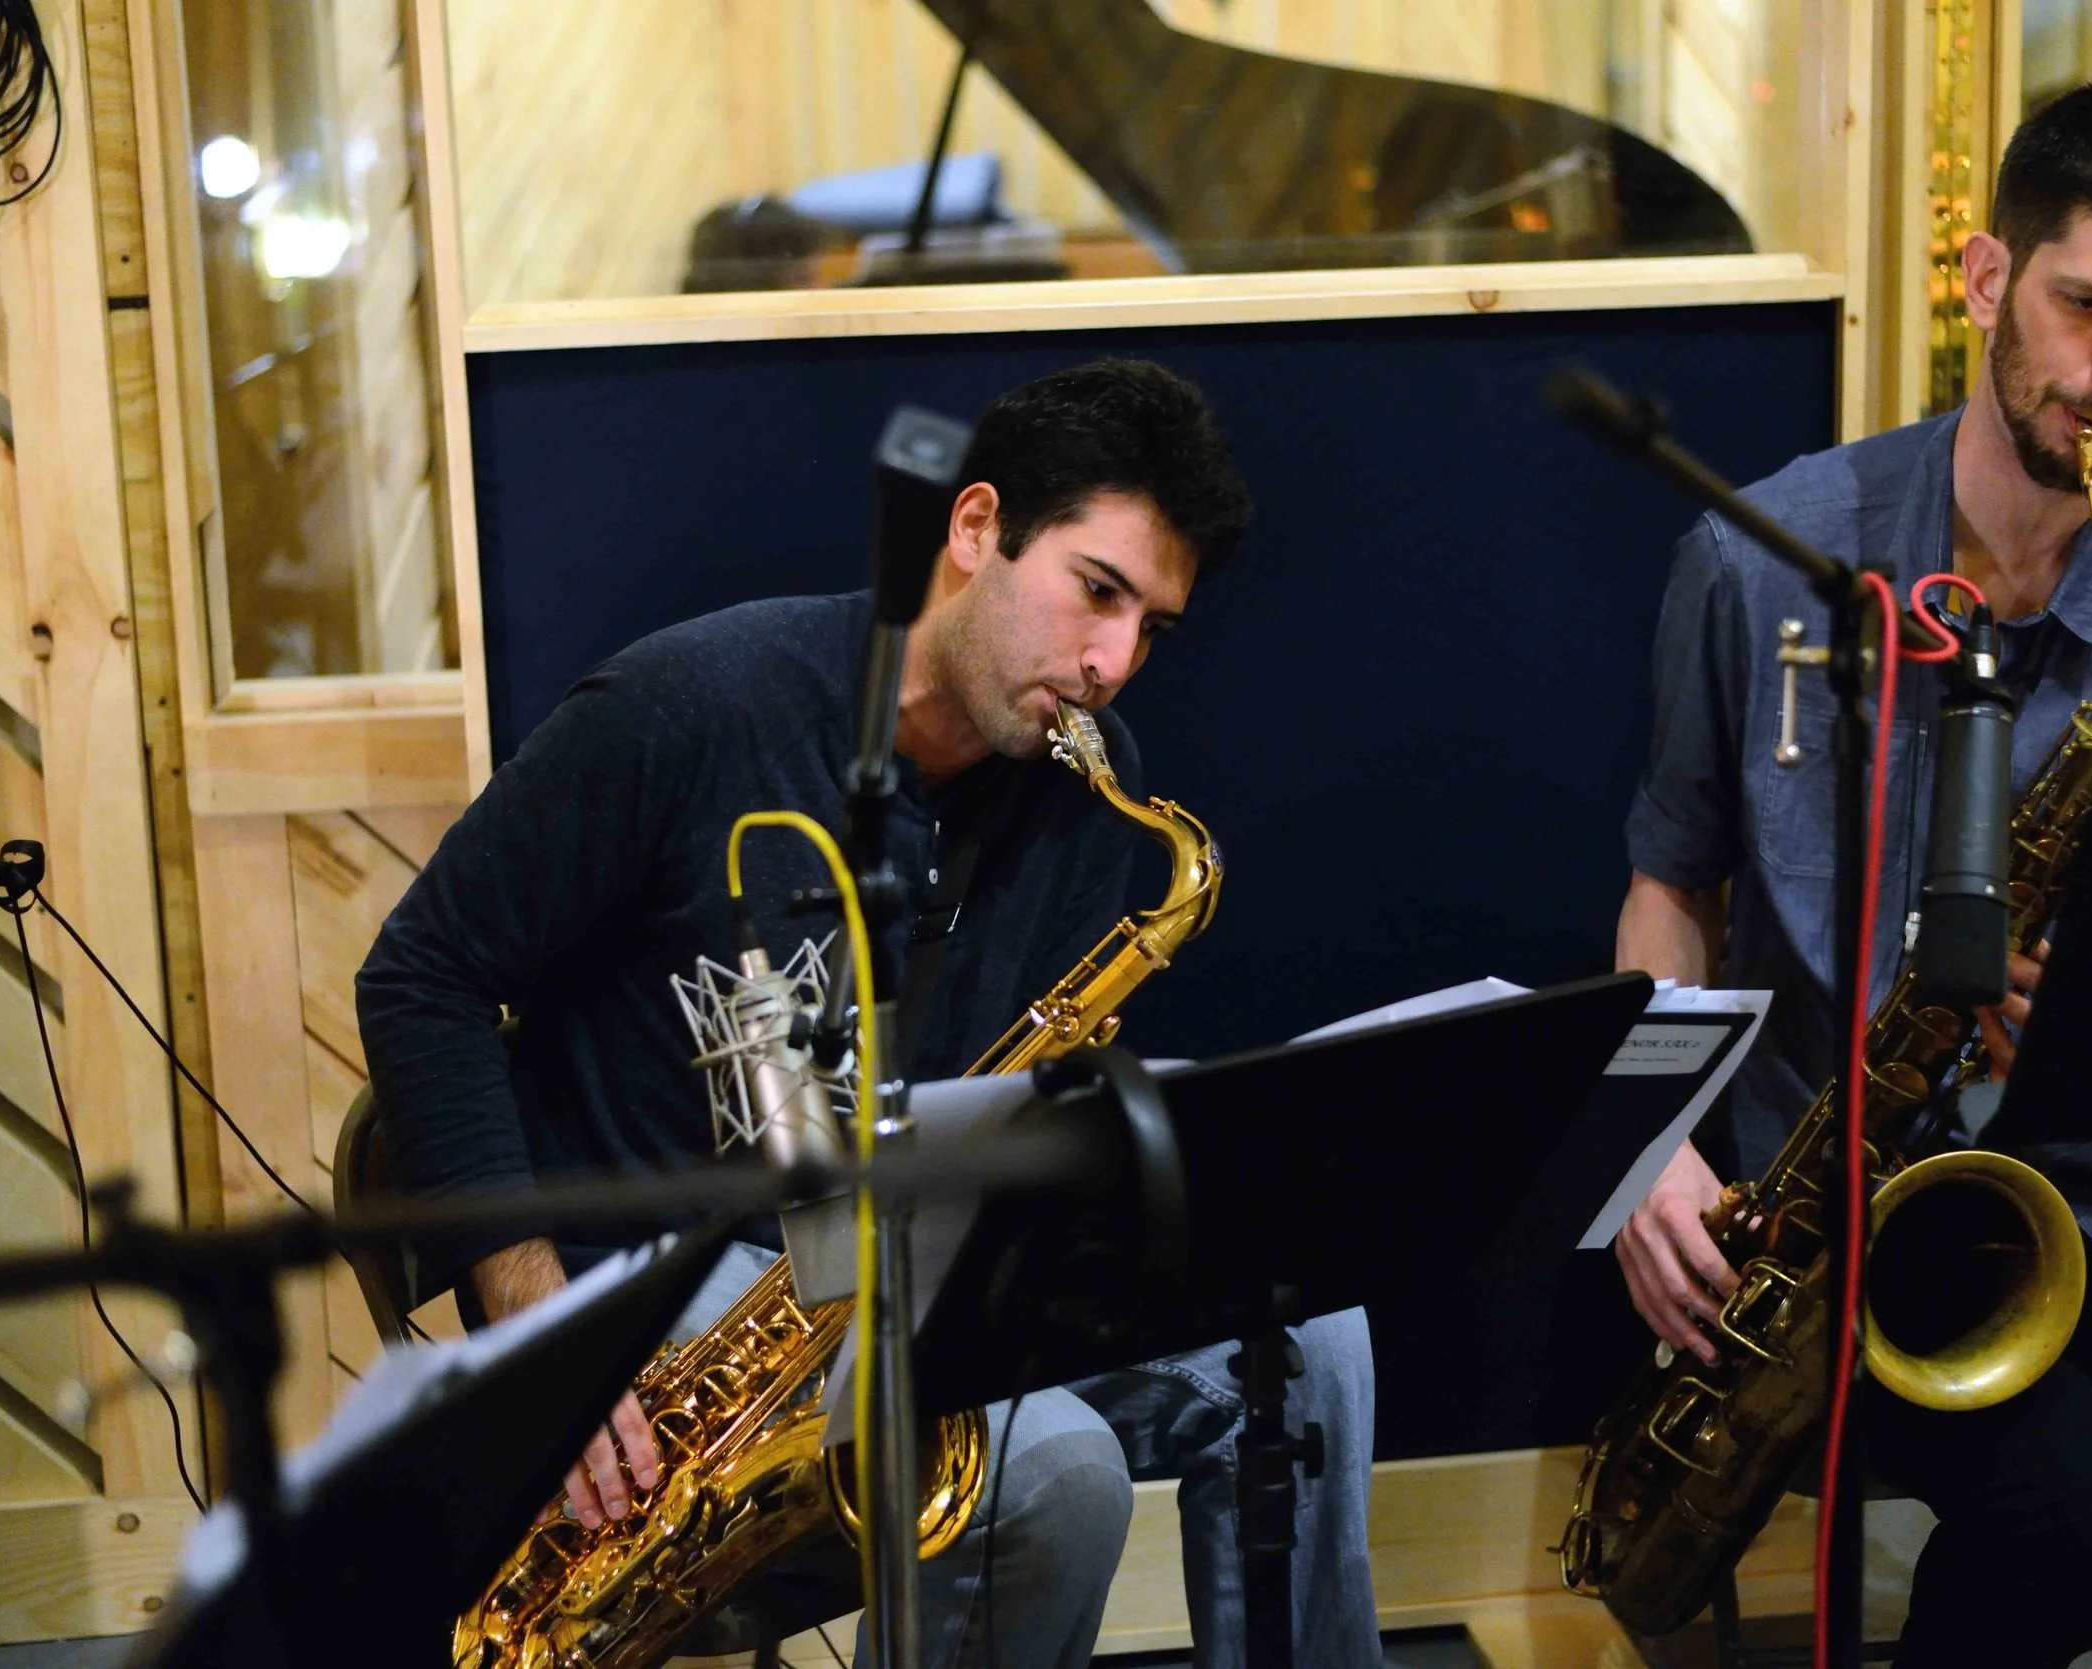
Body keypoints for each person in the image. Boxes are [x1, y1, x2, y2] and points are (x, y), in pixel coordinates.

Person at [356, 358, 1381, 1669]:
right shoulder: (683, 710)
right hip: (662, 1255)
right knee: (1057, 1474)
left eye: (1152, 630)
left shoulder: (1090, 783)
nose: (1114, 663)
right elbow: (421, 973)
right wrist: (538, 1342)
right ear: (973, 531)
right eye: (1097, 592)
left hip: (901, 1244)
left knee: (1313, 1333)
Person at [1612, 84, 2092, 1666]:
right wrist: (1646, 1141)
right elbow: (1674, 889)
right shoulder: (1762, 561)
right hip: (1855, 1230)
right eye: (2085, 308)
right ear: (1988, 277)